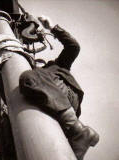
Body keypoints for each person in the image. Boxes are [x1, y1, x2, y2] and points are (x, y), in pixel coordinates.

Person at [19, 16, 99, 160]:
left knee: (28, 77)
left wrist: (52, 28)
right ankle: (77, 134)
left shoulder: (57, 66)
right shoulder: (34, 86)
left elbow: (73, 47)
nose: (37, 66)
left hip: (63, 94)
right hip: (57, 106)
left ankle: (78, 131)